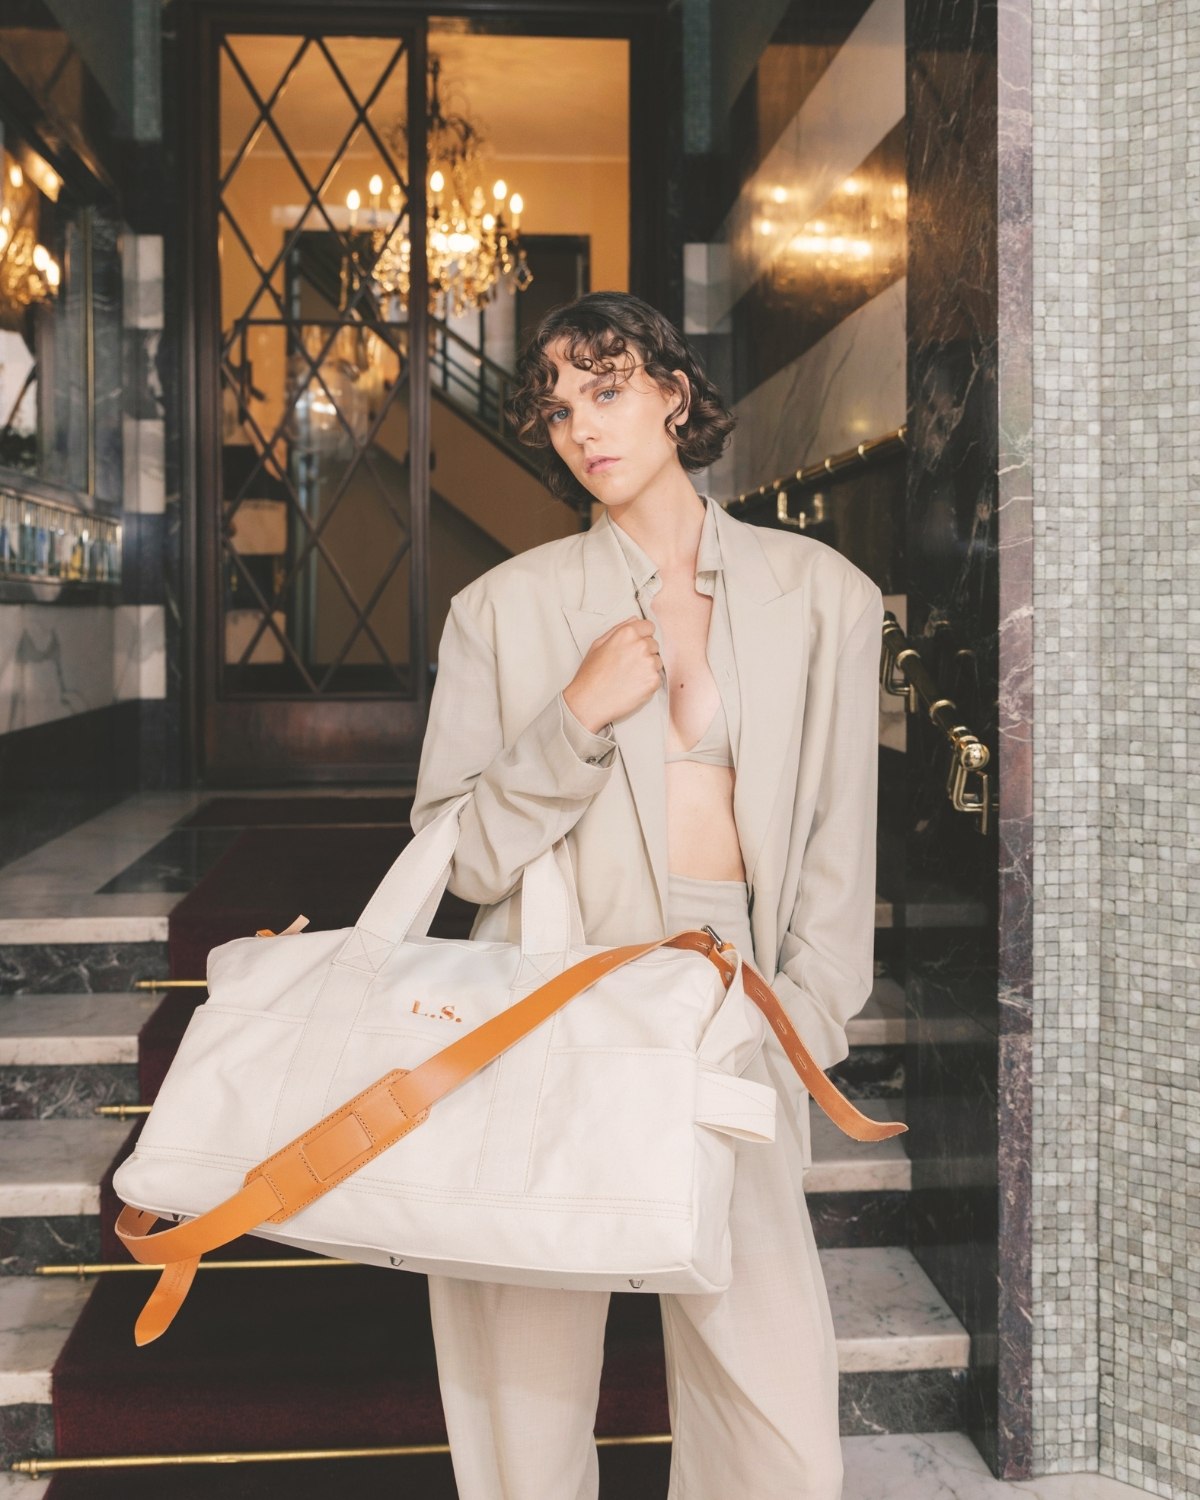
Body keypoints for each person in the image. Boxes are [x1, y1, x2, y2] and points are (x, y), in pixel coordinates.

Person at [409, 291, 882, 1500]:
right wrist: (573, 717)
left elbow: (838, 840)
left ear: (674, 392)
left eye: (607, 389)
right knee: (529, 1384)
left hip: (735, 997)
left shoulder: (822, 594)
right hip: (548, 995)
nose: (583, 429)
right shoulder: (503, 613)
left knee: (769, 1396)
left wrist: (803, 1023)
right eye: (559, 409)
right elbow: (458, 859)